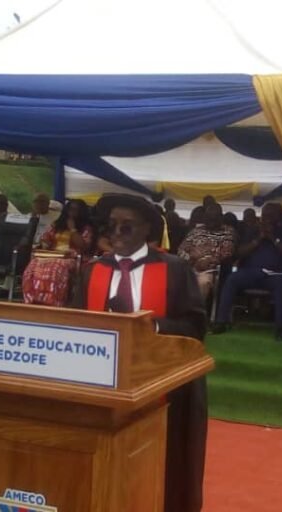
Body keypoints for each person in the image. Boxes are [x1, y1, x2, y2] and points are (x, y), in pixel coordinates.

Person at [72, 193, 206, 512]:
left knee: (158, 469)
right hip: (103, 388)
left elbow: (195, 326)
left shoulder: (175, 270)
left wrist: (150, 325)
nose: (116, 233)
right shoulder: (93, 271)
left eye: (127, 226)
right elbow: (73, 323)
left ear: (146, 229)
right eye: (112, 226)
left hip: (159, 388)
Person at [210, 202, 282, 341]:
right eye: (264, 215)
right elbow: (238, 253)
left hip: (274, 275)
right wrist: (258, 239)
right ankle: (221, 322)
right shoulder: (252, 231)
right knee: (232, 279)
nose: (267, 218)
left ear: (279, 217)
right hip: (250, 273)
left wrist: (273, 239)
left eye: (271, 215)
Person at [22, 199, 94, 306]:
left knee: (56, 268)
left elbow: (82, 246)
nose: (72, 212)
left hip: (70, 258)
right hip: (52, 254)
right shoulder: (57, 225)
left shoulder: (86, 228)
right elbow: (46, 238)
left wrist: (72, 229)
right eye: (70, 209)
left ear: (81, 212)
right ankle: (33, 298)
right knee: (33, 265)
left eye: (76, 210)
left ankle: (51, 300)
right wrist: (45, 243)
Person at [178, 202, 236, 300]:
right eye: (208, 218)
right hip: (189, 266)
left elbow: (227, 253)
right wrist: (192, 260)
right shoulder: (196, 231)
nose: (211, 221)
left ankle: (196, 309)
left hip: (208, 270)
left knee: (203, 283)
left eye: (214, 218)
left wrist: (207, 261)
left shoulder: (227, 232)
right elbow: (181, 250)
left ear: (221, 218)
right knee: (171, 278)